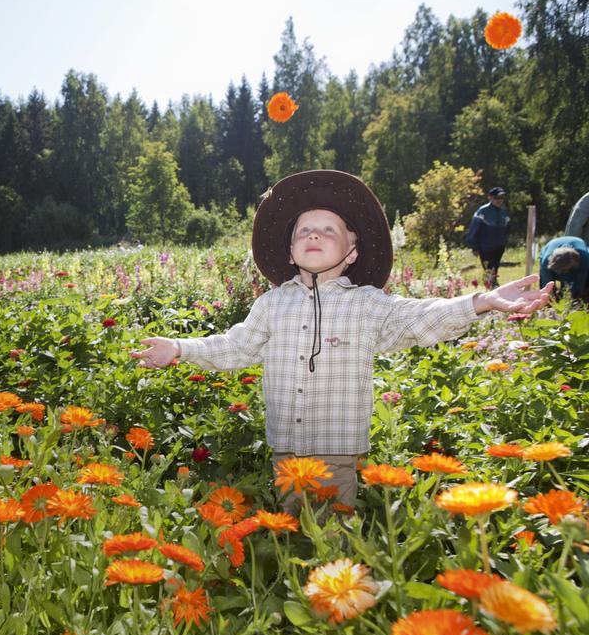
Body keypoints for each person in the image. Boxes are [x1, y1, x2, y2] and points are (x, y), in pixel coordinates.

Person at [132, 170, 552, 511]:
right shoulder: (271, 305)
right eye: (304, 231)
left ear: (352, 252)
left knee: (333, 535)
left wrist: (481, 301)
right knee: (290, 538)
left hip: (337, 453)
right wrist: (180, 348)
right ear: (291, 251)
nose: (314, 235)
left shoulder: (367, 306)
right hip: (285, 451)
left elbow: (420, 316)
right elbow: (236, 345)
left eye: (328, 230)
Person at [464, 186, 510, 287]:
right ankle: (491, 287)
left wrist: (505, 242)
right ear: (490, 197)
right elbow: (474, 229)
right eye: (496, 198)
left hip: (499, 246)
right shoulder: (482, 211)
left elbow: (507, 229)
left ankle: (492, 286)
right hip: (485, 247)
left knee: (495, 267)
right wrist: (474, 246)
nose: (499, 200)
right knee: (489, 269)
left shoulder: (504, 212)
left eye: (501, 198)